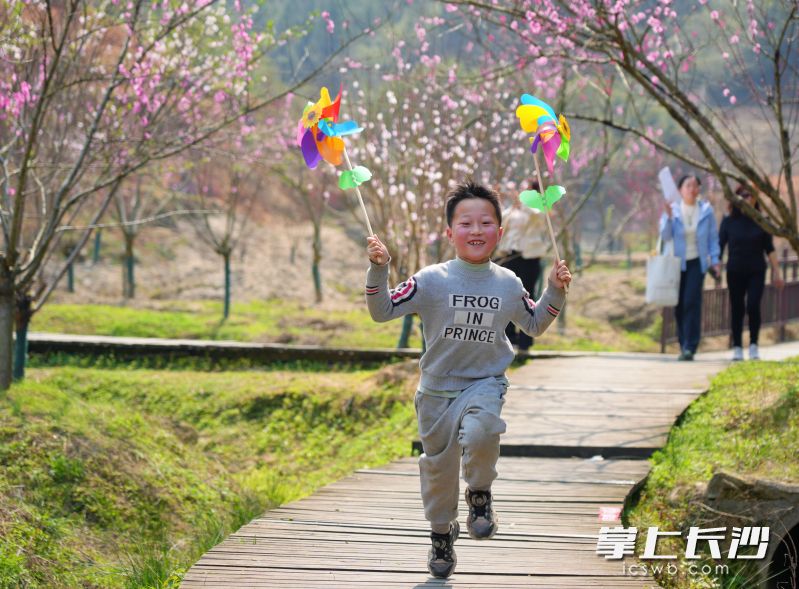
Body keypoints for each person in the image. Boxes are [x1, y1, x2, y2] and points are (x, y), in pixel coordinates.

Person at [365, 180, 571, 578]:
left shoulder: (508, 283)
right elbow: (382, 309)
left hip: (485, 382)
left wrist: (555, 292)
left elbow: (535, 324)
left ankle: (479, 492)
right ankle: (441, 535)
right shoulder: (431, 280)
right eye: (465, 223)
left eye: (485, 223)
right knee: (439, 472)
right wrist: (378, 268)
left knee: (482, 431)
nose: (476, 231)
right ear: (449, 232)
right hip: (436, 392)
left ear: (499, 231)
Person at [719, 185, 785, 361]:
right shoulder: (728, 221)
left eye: (751, 195)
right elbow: (719, 246)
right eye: (744, 195)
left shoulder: (762, 221)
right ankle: (738, 347)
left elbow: (769, 249)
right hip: (735, 270)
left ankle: (754, 344)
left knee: (753, 305)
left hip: (756, 270)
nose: (748, 199)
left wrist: (777, 272)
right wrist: (716, 264)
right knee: (737, 308)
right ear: (737, 199)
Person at [660, 174, 720, 361]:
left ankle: (690, 346)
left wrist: (715, 260)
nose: (692, 189)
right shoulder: (673, 209)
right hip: (677, 263)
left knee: (691, 302)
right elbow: (665, 235)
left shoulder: (706, 211)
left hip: (697, 262)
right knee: (679, 305)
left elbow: (712, 238)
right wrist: (668, 217)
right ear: (680, 189)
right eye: (688, 186)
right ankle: (683, 343)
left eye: (695, 186)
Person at [495, 179, 549, 352]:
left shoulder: (540, 208)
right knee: (507, 296)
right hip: (510, 256)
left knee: (527, 298)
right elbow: (502, 221)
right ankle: (509, 339)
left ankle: (525, 343)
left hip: (529, 258)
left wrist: (523, 204)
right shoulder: (514, 209)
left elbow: (538, 217)